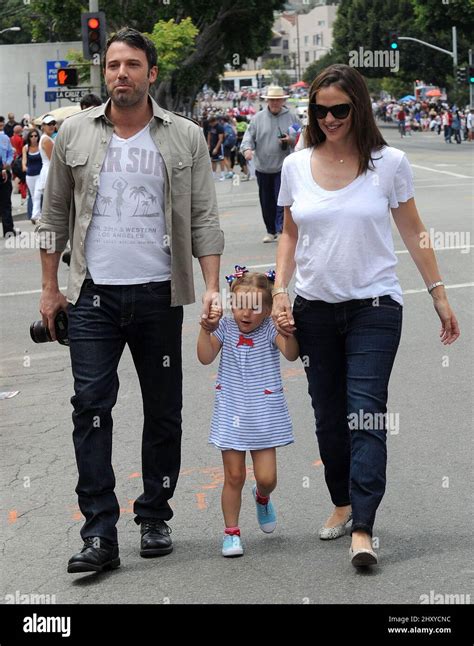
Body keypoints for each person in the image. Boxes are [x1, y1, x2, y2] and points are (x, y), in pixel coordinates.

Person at [37, 27, 224, 573]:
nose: (122, 74)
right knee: (91, 409)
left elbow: (205, 220)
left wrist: (212, 287)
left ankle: (154, 514)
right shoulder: (74, 133)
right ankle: (99, 533)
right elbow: (52, 219)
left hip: (160, 295)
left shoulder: (185, 137)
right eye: (114, 65)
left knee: (163, 412)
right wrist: (50, 288)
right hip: (92, 297)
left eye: (133, 65)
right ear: (107, 74)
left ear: (151, 73)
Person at [272, 63, 460, 568]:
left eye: (340, 109)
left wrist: (438, 294)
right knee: (329, 417)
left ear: (359, 107)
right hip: (314, 309)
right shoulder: (297, 164)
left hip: (375, 308)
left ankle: (363, 527)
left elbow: (414, 230)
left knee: (366, 412)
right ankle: (341, 501)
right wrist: (279, 291)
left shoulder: (389, 162)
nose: (330, 118)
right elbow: (288, 233)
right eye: (320, 110)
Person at [197, 267, 299, 557]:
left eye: (254, 307)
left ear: (267, 310)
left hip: (263, 414)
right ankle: (231, 533)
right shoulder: (225, 328)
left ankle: (262, 497)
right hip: (231, 413)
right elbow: (204, 357)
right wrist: (206, 329)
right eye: (239, 305)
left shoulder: (269, 329)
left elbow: (291, 354)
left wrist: (287, 331)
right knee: (234, 476)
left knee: (267, 478)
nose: (245, 313)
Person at [240, 86, 299, 243]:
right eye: (272, 100)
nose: (275, 103)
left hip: (283, 167)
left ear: (283, 100)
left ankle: (281, 229)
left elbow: (300, 137)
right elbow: (248, 137)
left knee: (282, 200)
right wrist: (247, 149)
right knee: (266, 201)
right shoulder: (257, 118)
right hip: (263, 167)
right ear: (267, 101)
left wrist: (290, 140)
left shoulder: (292, 117)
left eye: (278, 99)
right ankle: (270, 230)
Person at [31, 115, 56, 224]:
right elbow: (53, 160)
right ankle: (47, 221)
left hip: (47, 169)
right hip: (49, 170)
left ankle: (46, 219)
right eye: (48, 124)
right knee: (50, 198)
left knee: (49, 198)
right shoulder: (46, 139)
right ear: (43, 126)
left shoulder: (47, 138)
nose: (51, 126)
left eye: (53, 124)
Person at [0, 115, 19, 237]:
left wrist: (7, 164)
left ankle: (8, 230)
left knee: (6, 202)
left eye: (2, 125)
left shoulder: (5, 138)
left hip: (4, 172)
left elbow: (10, 153)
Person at [21, 128, 42, 221]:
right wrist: (25, 167)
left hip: (40, 174)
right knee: (33, 196)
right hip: (30, 175)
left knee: (37, 194)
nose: (34, 138)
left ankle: (34, 215)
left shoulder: (41, 146)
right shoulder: (26, 148)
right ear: (28, 137)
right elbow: (24, 162)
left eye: (35, 136)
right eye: (31, 136)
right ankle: (38, 215)